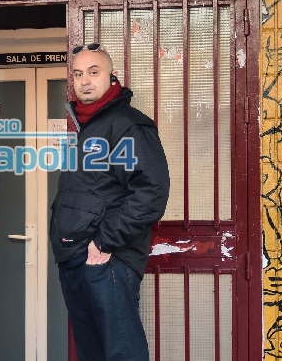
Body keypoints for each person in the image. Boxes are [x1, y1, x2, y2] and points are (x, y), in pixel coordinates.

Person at [50, 43, 170, 361]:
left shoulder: (127, 124)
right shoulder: (87, 126)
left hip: (107, 259)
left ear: (111, 76)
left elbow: (151, 191)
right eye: (78, 74)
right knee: (93, 353)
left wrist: (103, 243)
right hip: (75, 257)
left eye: (93, 72)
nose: (85, 81)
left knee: (122, 353)